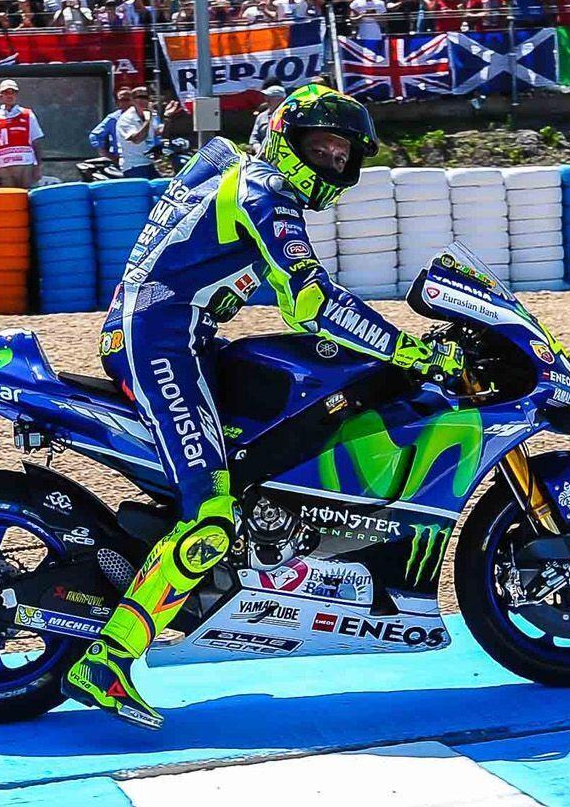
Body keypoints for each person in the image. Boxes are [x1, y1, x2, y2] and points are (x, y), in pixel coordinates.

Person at [61, 84, 463, 730]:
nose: (331, 161)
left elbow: (291, 301)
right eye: (321, 147)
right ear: (285, 138)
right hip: (161, 342)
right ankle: (108, 659)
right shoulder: (263, 192)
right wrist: (407, 349)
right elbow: (312, 301)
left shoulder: (242, 176)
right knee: (211, 511)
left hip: (182, 335)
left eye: (342, 154)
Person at [0, 80, 44, 188]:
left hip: (25, 164)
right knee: (10, 196)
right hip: (3, 166)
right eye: (6, 93)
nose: (10, 96)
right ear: (0, 96)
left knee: (27, 194)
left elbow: (36, 141)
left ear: (16, 95)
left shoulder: (28, 114)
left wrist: (39, 166)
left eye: (13, 92)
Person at [113, 86, 158, 178]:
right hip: (134, 165)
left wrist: (168, 117)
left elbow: (159, 131)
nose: (142, 101)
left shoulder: (151, 114)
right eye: (139, 97)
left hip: (148, 162)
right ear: (132, 100)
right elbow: (137, 139)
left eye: (145, 97)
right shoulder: (126, 119)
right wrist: (147, 120)